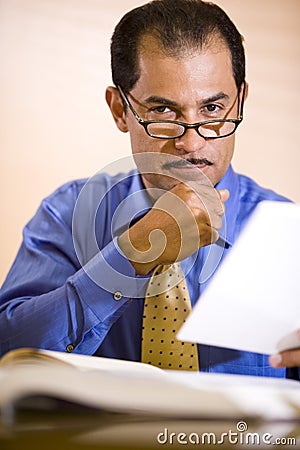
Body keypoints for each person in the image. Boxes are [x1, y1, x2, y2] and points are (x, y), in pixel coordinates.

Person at [0, 0, 299, 378]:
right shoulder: (66, 214)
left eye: (212, 109)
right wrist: (131, 256)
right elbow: (7, 354)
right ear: (119, 110)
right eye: (163, 112)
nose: (191, 143)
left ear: (240, 100)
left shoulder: (290, 236)